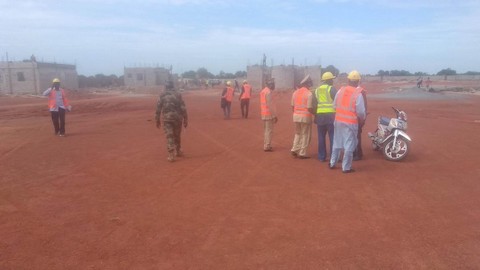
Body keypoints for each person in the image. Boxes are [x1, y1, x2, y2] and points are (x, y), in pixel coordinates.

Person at [329, 70, 366, 173]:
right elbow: (361, 112)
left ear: (348, 80)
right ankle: (346, 167)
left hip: (338, 120)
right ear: (358, 81)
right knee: (349, 144)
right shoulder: (358, 94)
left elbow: (334, 106)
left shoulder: (341, 90)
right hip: (350, 122)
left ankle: (332, 163)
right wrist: (361, 121)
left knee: (336, 142)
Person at [155, 81, 188, 162]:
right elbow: (183, 107)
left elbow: (158, 108)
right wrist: (185, 119)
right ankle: (178, 151)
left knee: (170, 136)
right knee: (177, 135)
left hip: (167, 119)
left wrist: (157, 119)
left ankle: (171, 155)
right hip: (177, 118)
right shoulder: (178, 94)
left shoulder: (162, 95)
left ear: (166, 87)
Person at [314, 72, 337, 161]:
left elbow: (315, 103)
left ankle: (321, 156)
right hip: (330, 115)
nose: (333, 81)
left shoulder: (317, 90)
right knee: (332, 136)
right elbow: (337, 101)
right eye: (332, 79)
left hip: (320, 115)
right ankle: (333, 157)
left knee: (321, 137)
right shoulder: (331, 89)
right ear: (329, 80)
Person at [290, 75, 315, 159]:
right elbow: (309, 107)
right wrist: (314, 114)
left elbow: (292, 106)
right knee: (305, 135)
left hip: (296, 116)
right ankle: (302, 153)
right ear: (307, 84)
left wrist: (296, 113)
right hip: (305, 117)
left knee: (297, 133)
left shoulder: (295, 92)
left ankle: (294, 148)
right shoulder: (309, 93)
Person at [260, 78, 277, 152]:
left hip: (263, 113)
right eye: (272, 84)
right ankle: (267, 146)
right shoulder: (268, 92)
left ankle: (266, 144)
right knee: (269, 131)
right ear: (270, 85)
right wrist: (274, 116)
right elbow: (270, 105)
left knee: (266, 131)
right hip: (269, 114)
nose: (273, 85)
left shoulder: (263, 91)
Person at [353, 85, 367, 161]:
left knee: (356, 136)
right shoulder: (361, 91)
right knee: (356, 135)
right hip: (357, 118)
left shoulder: (359, 92)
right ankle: (357, 153)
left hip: (357, 118)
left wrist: (362, 118)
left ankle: (357, 154)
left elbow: (362, 108)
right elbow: (365, 105)